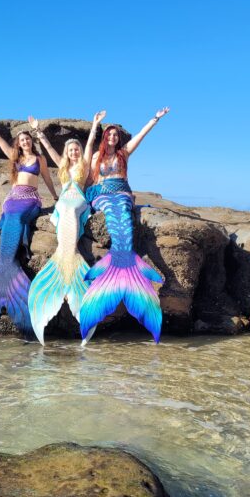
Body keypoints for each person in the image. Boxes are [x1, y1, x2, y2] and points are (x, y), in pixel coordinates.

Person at [79, 108, 170, 343]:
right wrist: (94, 124)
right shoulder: (97, 158)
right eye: (108, 135)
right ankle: (118, 271)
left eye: (115, 136)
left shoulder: (123, 154)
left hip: (122, 194)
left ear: (118, 139)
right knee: (111, 214)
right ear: (104, 137)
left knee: (124, 220)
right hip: (102, 195)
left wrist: (155, 119)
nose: (112, 138)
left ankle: (123, 266)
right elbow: (88, 160)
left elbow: (141, 135)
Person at [0, 110, 58, 340]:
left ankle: (9, 267)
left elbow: (47, 179)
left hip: (31, 199)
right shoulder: (15, 158)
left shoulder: (39, 160)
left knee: (18, 218)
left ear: (31, 141)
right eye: (21, 140)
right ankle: (3, 269)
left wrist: (56, 197)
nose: (25, 142)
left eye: (27, 139)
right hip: (13, 198)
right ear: (18, 144)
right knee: (8, 215)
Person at [26, 111, 105, 345]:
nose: (74, 152)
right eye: (70, 150)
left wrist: (95, 125)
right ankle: (63, 260)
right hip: (63, 200)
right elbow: (49, 149)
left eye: (76, 150)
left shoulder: (83, 163)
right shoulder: (61, 165)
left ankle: (70, 258)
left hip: (78, 200)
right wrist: (38, 131)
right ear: (67, 153)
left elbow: (90, 144)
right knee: (62, 210)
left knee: (70, 210)